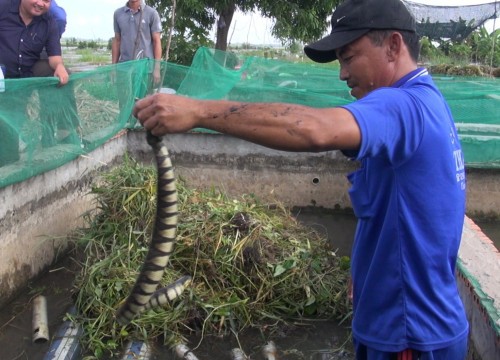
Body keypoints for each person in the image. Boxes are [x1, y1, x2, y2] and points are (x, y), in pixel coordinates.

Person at [133, 0, 469, 359]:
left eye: (349, 56)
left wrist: (198, 111)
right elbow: (391, 210)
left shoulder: (402, 106)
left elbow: (314, 129)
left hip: (409, 338)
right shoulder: (423, 103)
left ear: (393, 46)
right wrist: (363, 271)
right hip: (399, 324)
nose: (342, 74)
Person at [0, 0, 71, 166]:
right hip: (2, 77)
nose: (41, 4)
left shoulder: (49, 22)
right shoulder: (3, 8)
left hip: (23, 81)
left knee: (9, 154)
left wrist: (59, 66)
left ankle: (59, 132)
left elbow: (54, 57)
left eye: (46, 1)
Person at [112, 0, 162, 124]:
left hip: (146, 69)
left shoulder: (151, 13)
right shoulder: (118, 14)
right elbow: (117, 40)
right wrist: (113, 67)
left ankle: (144, 134)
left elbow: (156, 41)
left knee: (145, 104)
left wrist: (156, 68)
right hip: (124, 68)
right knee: (125, 103)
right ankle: (126, 129)